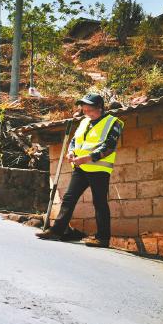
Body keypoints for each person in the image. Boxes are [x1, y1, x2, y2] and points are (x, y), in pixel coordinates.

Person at [36, 92, 124, 248]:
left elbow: (109, 147)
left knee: (99, 202)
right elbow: (75, 141)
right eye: (83, 108)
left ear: (99, 108)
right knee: (69, 198)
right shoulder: (84, 122)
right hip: (80, 167)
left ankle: (102, 238)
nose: (85, 111)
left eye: (88, 108)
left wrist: (87, 158)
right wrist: (71, 152)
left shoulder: (113, 122)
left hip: (99, 169)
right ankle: (57, 231)